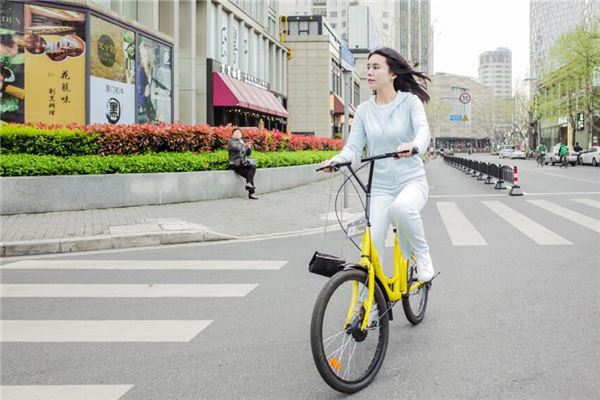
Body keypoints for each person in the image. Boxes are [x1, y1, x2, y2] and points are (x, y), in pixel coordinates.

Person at [320, 47, 434, 283]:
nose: (369, 72)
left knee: (402, 208)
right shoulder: (364, 110)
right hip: (380, 188)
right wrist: (337, 160)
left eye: (376, 67)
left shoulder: (410, 102)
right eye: (368, 67)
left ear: (392, 73)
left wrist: (414, 145)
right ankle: (368, 301)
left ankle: (423, 255)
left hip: (411, 182)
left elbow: (423, 131)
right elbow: (353, 148)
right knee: (371, 245)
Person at [227, 127, 258, 200]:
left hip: (242, 163)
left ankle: (249, 186)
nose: (238, 134)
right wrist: (244, 145)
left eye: (239, 132)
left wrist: (249, 148)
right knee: (249, 176)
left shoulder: (242, 142)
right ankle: (252, 194)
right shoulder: (231, 141)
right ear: (232, 135)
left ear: (241, 134)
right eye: (236, 133)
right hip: (235, 164)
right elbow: (237, 148)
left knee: (253, 167)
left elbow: (248, 154)